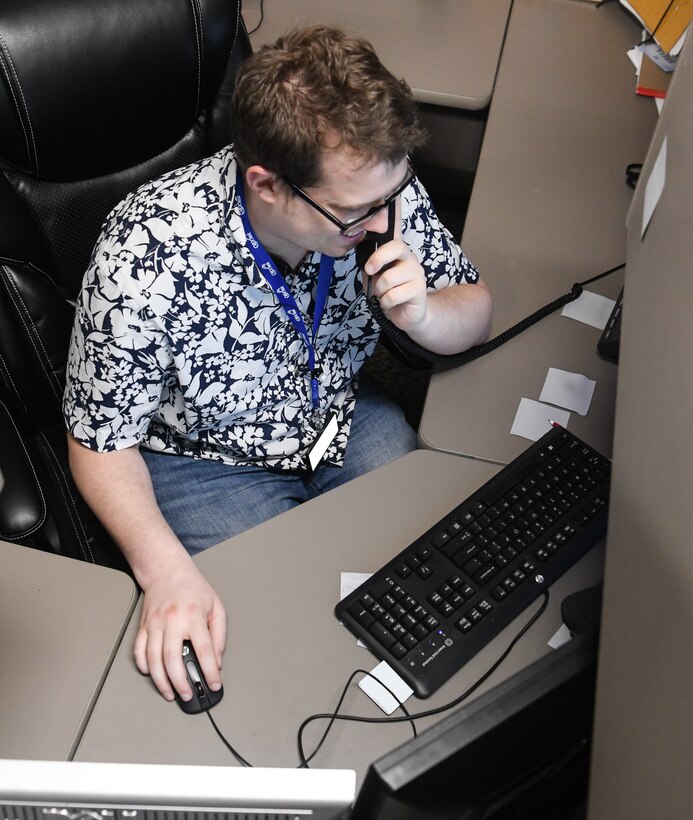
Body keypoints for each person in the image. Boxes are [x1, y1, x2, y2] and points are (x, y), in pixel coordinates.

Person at [63, 25, 492, 704]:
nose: (382, 227)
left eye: (392, 199)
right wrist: (163, 572)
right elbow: (98, 443)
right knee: (282, 631)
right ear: (265, 184)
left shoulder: (375, 190)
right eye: (355, 214)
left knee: (435, 567)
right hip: (205, 459)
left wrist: (425, 317)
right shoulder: (146, 252)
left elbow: (475, 307)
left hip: (340, 414)